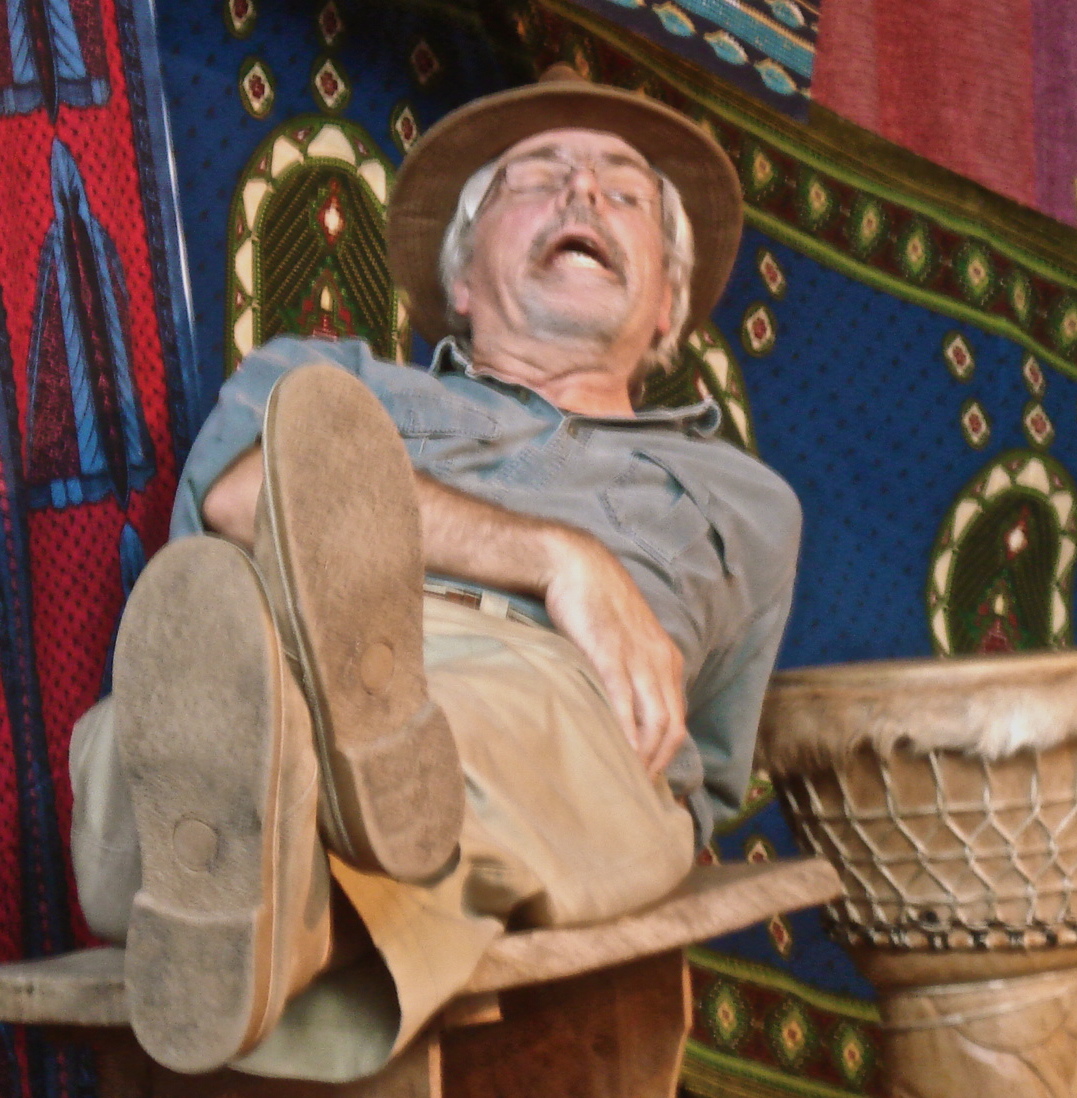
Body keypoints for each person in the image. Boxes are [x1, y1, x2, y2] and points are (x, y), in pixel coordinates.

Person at [68, 68, 801, 1083]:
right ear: (460, 280)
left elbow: (693, 769)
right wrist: (561, 557)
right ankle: (303, 832)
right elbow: (241, 503)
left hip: (543, 691)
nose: (582, 192)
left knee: (502, 727)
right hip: (292, 642)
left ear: (668, 306)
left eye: (625, 192)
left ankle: (262, 871)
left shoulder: (748, 502)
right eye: (534, 179)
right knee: (199, 703)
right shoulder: (324, 381)